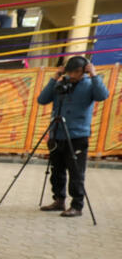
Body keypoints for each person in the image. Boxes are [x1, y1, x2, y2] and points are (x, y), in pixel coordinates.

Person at [36, 56, 108, 217]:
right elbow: (42, 99)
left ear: (84, 71)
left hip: (78, 135)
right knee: (57, 170)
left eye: (76, 72)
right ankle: (59, 200)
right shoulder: (61, 84)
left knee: (76, 172)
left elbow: (102, 96)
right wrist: (55, 77)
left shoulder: (90, 84)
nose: (73, 75)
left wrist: (94, 75)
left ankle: (77, 205)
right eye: (70, 72)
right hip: (57, 133)